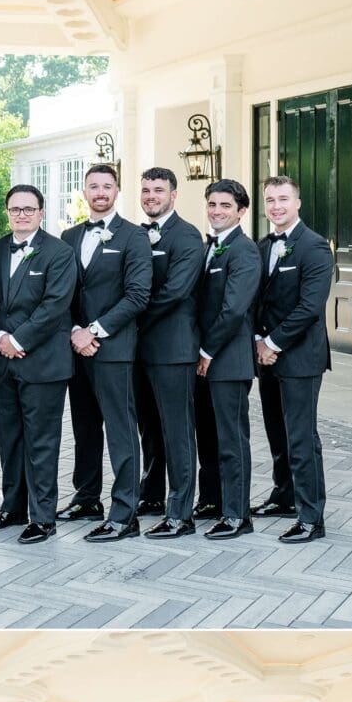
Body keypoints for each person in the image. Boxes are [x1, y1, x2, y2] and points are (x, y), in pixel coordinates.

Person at [60, 163, 152, 541]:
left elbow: (138, 295)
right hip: (75, 349)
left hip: (113, 348)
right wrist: (74, 332)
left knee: (120, 430)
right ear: (84, 192)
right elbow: (61, 293)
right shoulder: (68, 237)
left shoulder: (134, 236)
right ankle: (86, 498)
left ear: (117, 191)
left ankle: (125, 514)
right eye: (93, 186)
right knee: (84, 428)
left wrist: (93, 331)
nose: (100, 192)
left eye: (107, 186)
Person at [0, 182, 76, 543]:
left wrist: (18, 340)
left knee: (42, 443)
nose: (21, 215)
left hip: (43, 362)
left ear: (41, 213)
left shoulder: (59, 252)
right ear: (8, 212)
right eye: (15, 209)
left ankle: (42, 517)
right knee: (9, 439)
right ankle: (12, 508)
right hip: (3, 361)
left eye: (28, 209)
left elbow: (55, 305)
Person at [253, 174, 334, 542]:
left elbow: (309, 307)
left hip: (300, 357)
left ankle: (311, 517)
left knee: (301, 437)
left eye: (283, 199)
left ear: (297, 203)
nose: (276, 206)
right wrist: (259, 340)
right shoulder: (262, 245)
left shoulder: (314, 247)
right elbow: (257, 300)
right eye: (270, 199)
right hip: (266, 355)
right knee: (276, 430)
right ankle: (284, 495)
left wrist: (273, 342)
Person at [133, 166, 203, 538]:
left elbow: (175, 292)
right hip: (139, 351)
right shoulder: (136, 233)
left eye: (158, 190)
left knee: (177, 432)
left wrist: (129, 317)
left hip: (173, 349)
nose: (151, 196)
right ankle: (151, 495)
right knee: (150, 428)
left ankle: (180, 513)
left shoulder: (187, 236)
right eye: (146, 190)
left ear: (173, 195)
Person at [196, 177, 262, 537]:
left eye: (225, 205)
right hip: (205, 359)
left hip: (228, 359)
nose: (217, 211)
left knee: (232, 440)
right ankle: (212, 500)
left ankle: (238, 515)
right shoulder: (211, 246)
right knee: (208, 436)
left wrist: (206, 350)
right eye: (212, 204)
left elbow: (234, 309)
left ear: (241, 211)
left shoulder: (244, 250)